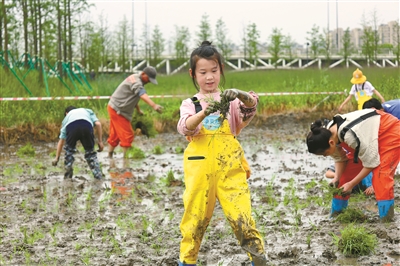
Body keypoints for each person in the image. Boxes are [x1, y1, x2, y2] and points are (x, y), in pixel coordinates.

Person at [177, 41, 267, 266]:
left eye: (214, 71)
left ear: (221, 70)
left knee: (243, 219)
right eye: (203, 72)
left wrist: (239, 94)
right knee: (194, 221)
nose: (209, 77)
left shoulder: (233, 101)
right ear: (193, 74)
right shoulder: (191, 104)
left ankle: (259, 260)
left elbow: (251, 106)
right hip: (200, 171)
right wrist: (203, 113)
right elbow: (185, 126)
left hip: (230, 168)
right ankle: (187, 261)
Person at [306, 108, 400, 221]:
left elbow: (371, 163)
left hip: (389, 130)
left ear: (331, 143)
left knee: (381, 177)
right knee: (342, 179)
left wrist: (351, 184)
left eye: (324, 153)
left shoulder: (350, 136)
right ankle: (337, 216)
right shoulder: (327, 135)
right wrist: (337, 177)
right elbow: (340, 159)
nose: (325, 156)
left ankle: (386, 220)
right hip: (366, 139)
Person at [107, 66, 163, 158]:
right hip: (118, 110)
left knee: (115, 135)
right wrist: (154, 105)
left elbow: (133, 97)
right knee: (128, 134)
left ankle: (109, 156)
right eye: (149, 79)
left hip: (114, 107)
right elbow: (141, 94)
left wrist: (138, 109)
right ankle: (126, 160)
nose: (149, 81)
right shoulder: (136, 82)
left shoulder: (136, 79)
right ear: (143, 74)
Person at [52, 106, 104, 179]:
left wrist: (57, 158)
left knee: (69, 152)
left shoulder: (67, 118)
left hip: (71, 127)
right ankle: (98, 177)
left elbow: (61, 141)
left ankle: (68, 176)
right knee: (90, 154)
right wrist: (100, 141)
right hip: (86, 125)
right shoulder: (87, 110)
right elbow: (98, 124)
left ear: (66, 113)